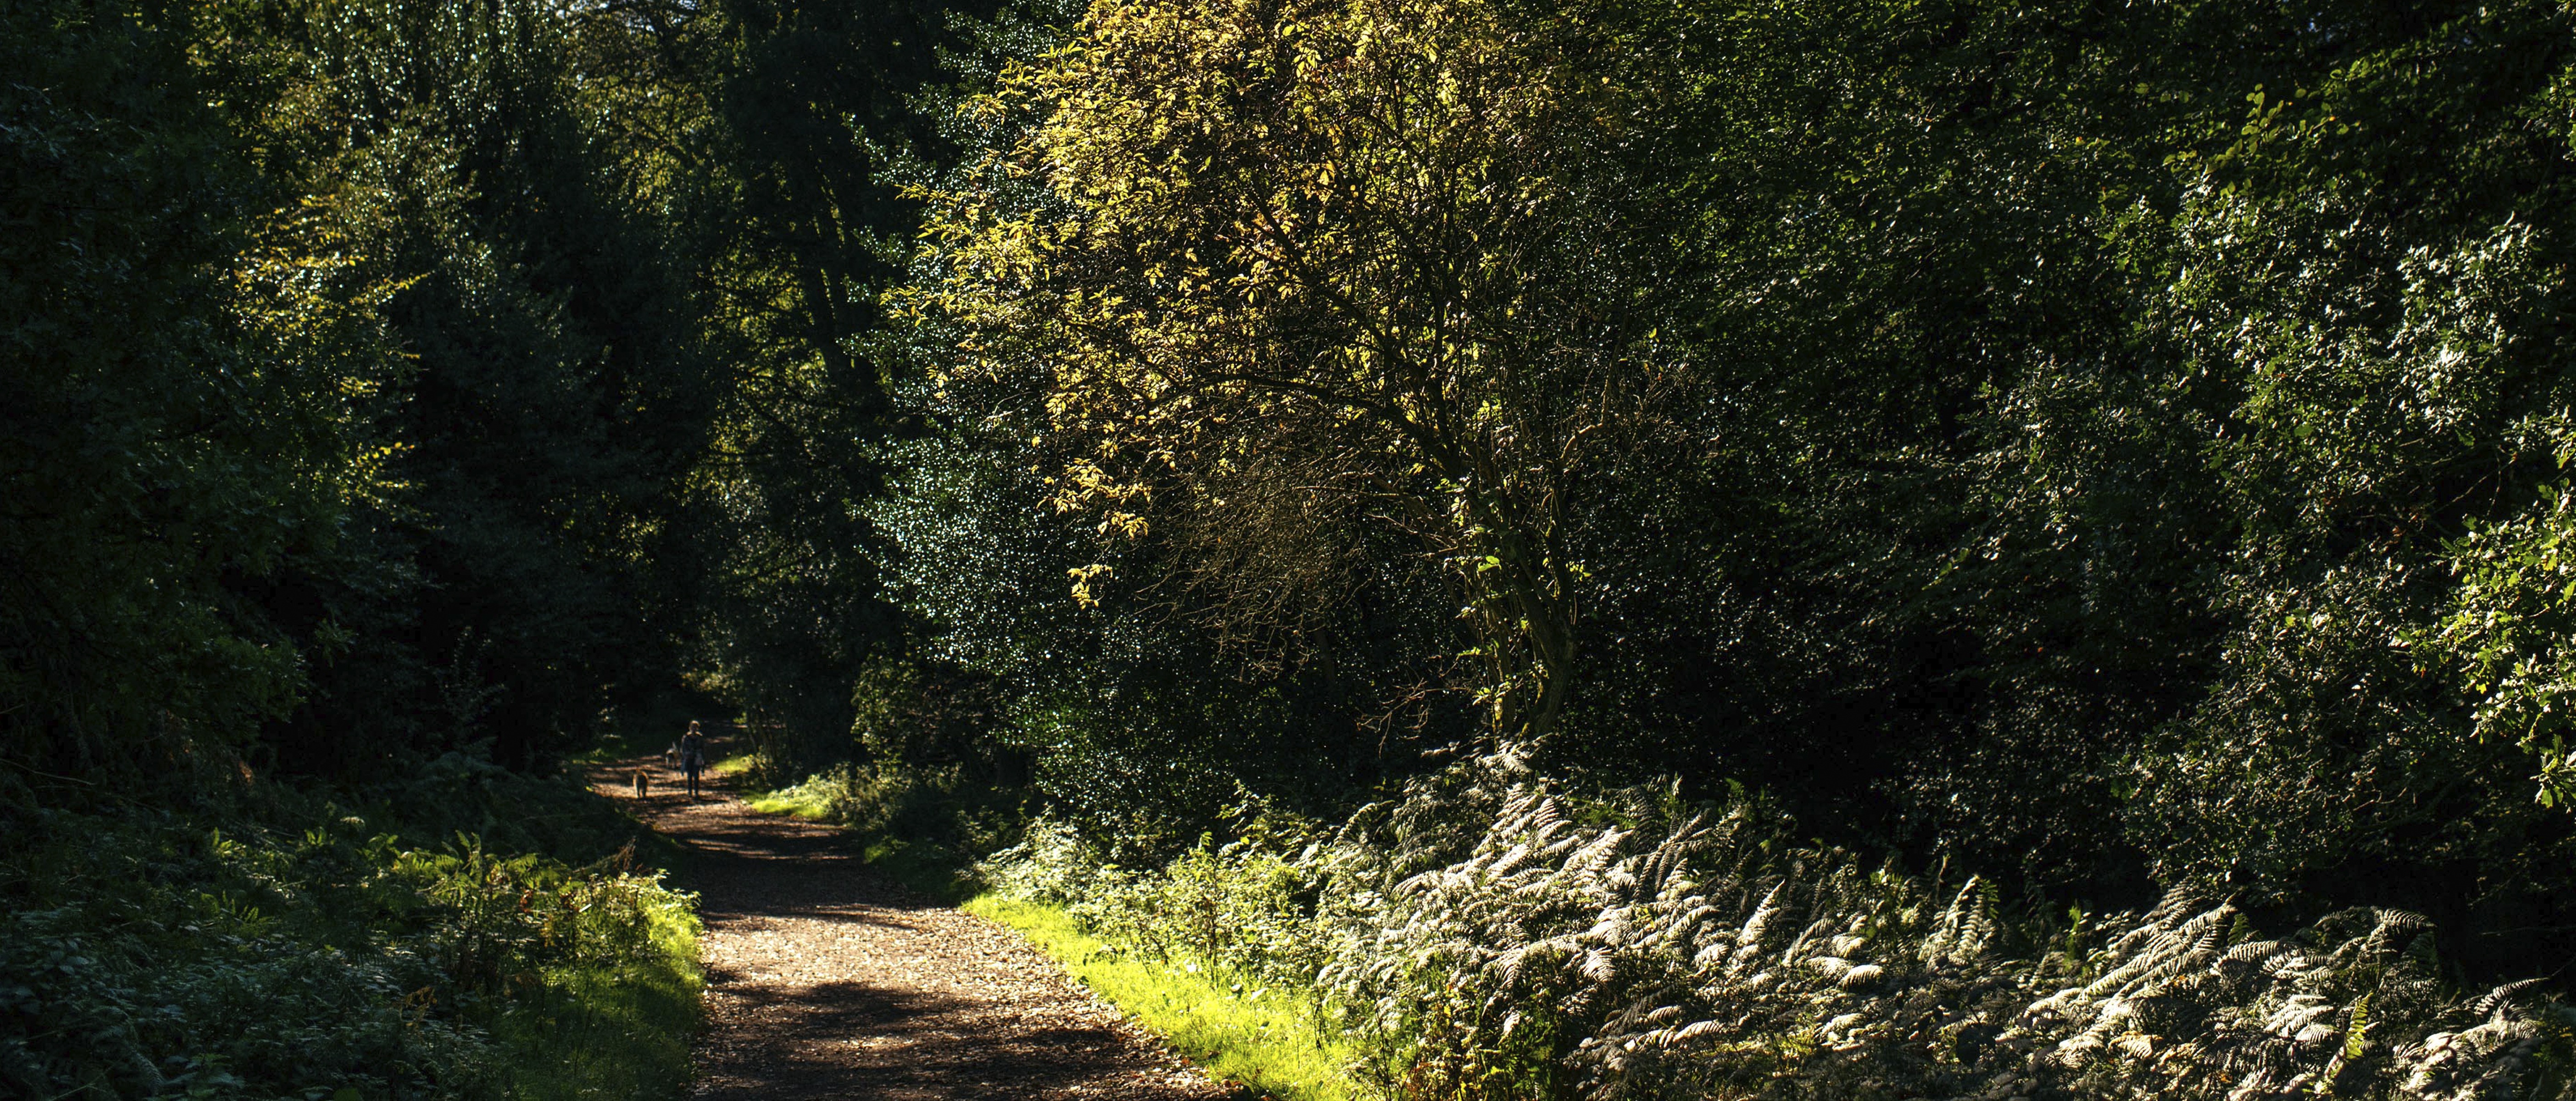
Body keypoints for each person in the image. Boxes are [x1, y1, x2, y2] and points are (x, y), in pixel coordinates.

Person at [678, 720, 709, 800]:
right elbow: (683, 749)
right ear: (690, 728)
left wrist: (703, 758)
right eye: (692, 727)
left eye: (695, 727)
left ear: (698, 728)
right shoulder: (686, 737)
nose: (694, 729)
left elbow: (703, 748)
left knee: (696, 775)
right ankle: (690, 792)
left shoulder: (700, 737)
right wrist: (685, 756)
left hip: (697, 758)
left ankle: (696, 792)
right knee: (689, 775)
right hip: (689, 758)